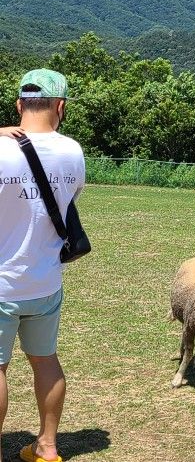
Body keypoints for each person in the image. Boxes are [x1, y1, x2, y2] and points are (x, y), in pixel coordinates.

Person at [0, 69, 85, 462]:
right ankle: (48, 447)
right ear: (61, 106)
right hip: (46, 282)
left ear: (18, 105)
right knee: (45, 361)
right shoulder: (73, 152)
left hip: (2, 282)